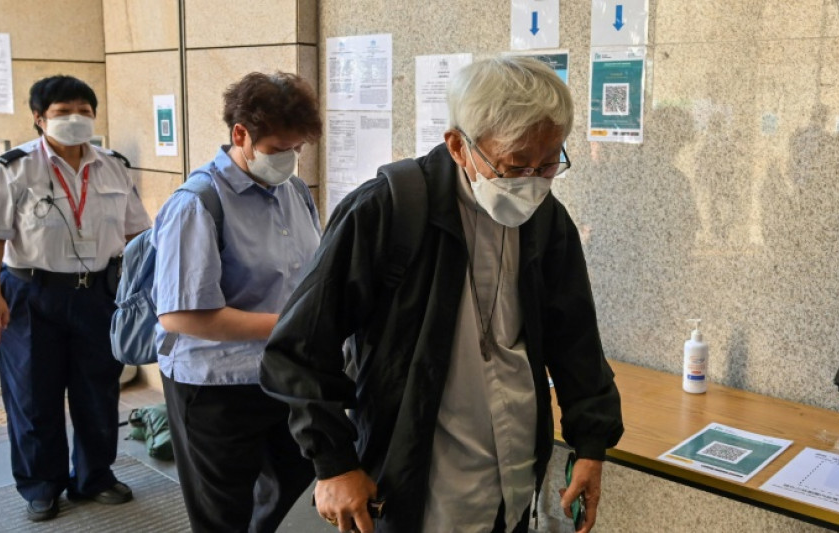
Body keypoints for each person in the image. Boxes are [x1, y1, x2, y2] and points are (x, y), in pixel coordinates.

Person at [261, 56, 624, 533]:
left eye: (549, 162)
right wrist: (332, 461)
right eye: (514, 166)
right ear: (457, 145)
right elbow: (299, 350)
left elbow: (575, 339)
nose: (533, 182)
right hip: (416, 483)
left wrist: (590, 446)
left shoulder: (548, 221)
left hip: (511, 481)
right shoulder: (385, 212)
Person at [0, 75, 151, 521]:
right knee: (33, 395)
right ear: (39, 118)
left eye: (84, 112)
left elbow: (138, 233)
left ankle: (94, 477)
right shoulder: (11, 169)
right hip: (32, 293)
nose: (75, 119)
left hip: (99, 295)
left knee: (98, 390)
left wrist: (145, 291)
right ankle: (41, 484)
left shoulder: (114, 166)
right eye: (63, 112)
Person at [151, 71, 322, 532]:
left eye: (297, 148)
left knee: (294, 489)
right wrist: (288, 324)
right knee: (223, 513)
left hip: (281, 376)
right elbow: (180, 315)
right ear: (240, 134)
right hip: (214, 386)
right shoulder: (197, 203)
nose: (289, 159)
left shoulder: (294, 192)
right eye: (278, 149)